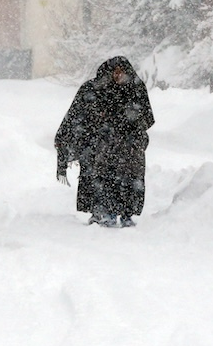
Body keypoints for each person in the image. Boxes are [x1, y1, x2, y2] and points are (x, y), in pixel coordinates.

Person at [55, 56, 155, 227]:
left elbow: (146, 117)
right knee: (102, 178)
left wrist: (128, 125)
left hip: (128, 146)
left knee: (129, 179)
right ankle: (101, 211)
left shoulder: (135, 88)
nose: (118, 76)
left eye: (121, 72)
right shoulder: (94, 89)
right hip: (100, 145)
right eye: (114, 72)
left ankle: (126, 213)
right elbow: (77, 114)